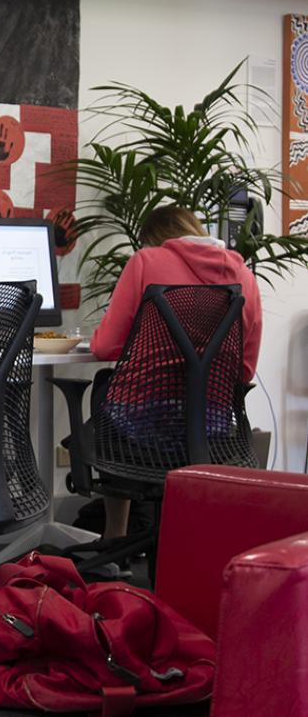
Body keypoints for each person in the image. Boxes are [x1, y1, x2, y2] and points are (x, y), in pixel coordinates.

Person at [89, 204, 262, 538]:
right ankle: (182, 544)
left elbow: (104, 347)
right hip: (211, 429)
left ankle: (115, 539)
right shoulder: (244, 276)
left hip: (138, 428)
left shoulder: (146, 261)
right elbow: (245, 371)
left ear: (153, 239)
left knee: (103, 387)